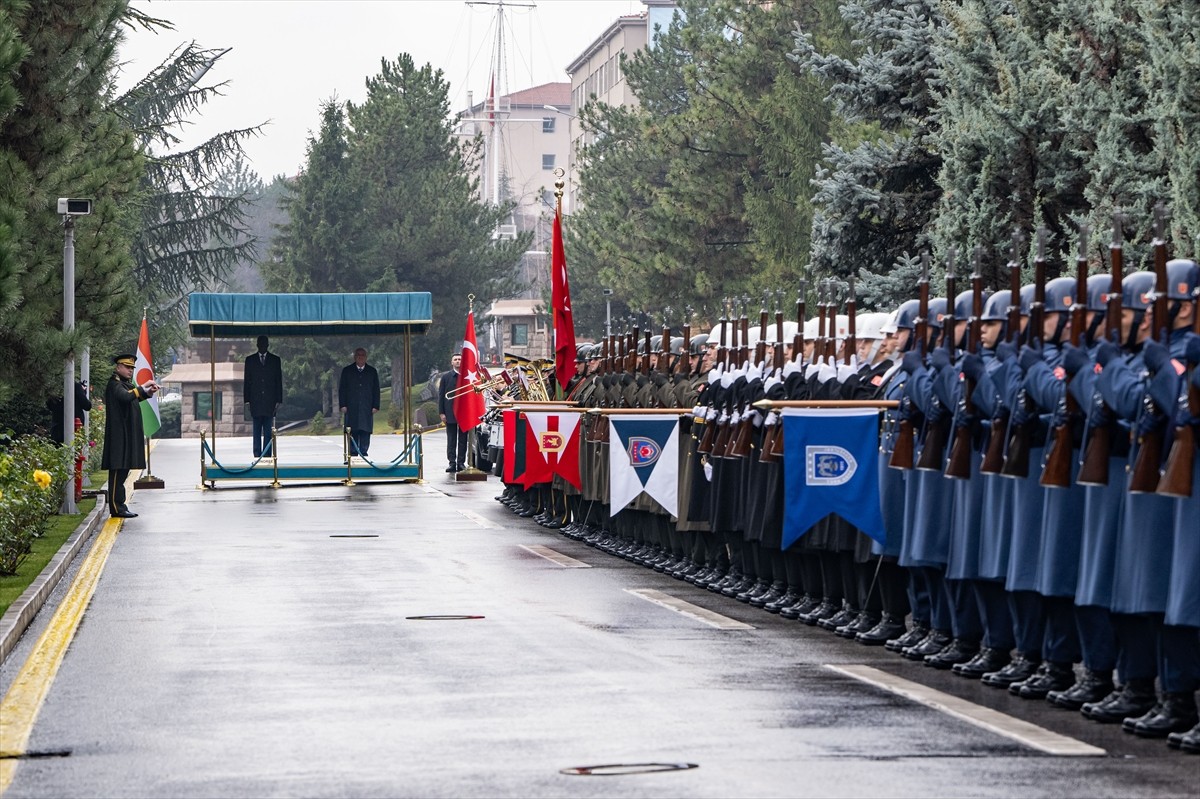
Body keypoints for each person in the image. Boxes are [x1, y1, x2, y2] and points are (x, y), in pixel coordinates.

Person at [101, 354, 158, 518]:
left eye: (132, 368)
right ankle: (115, 507)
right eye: (127, 367)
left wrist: (147, 393)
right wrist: (143, 386)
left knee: (123, 471)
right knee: (118, 472)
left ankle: (121, 505)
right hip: (118, 436)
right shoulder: (114, 384)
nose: (130, 371)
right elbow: (125, 396)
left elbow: (132, 398)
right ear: (118, 367)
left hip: (125, 435)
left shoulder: (125, 384)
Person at [243, 335, 283, 458]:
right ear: (257, 345)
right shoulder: (250, 360)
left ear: (268, 345)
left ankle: (266, 454)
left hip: (270, 401)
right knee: (256, 430)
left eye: (264, 344)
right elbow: (247, 381)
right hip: (255, 400)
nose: (262, 346)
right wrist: (247, 400)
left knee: (267, 431)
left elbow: (278, 381)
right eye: (260, 344)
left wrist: (278, 399)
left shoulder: (275, 360)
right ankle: (256, 454)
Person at [339, 347, 380, 457]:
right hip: (351, 408)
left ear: (366, 357)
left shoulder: (372, 371)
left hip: (367, 408)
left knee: (365, 431)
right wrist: (343, 405)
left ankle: (364, 454)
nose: (360, 357)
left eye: (362, 355)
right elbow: (342, 389)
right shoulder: (347, 371)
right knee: (352, 431)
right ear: (354, 357)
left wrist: (376, 405)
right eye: (358, 355)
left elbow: (376, 389)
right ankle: (352, 454)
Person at [438, 352, 468, 472]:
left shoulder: (467, 376)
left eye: (460, 359)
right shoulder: (446, 377)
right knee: (451, 439)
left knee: (463, 439)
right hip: (450, 413)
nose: (457, 361)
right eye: (455, 359)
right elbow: (441, 395)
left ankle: (461, 462)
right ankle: (452, 462)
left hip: (464, 413)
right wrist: (441, 412)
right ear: (451, 362)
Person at [47, 379, 92, 445]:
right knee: (73, 448)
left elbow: (50, 405)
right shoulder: (76, 386)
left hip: (57, 426)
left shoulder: (54, 386)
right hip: (74, 425)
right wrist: (83, 392)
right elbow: (86, 405)